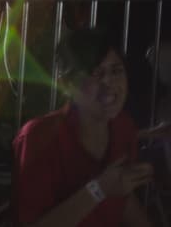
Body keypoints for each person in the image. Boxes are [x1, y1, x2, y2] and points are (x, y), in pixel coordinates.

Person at [12, 29, 154, 227]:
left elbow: (121, 199)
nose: (108, 83)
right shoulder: (37, 137)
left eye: (116, 70)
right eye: (95, 73)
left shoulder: (123, 127)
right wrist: (99, 188)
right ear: (66, 84)